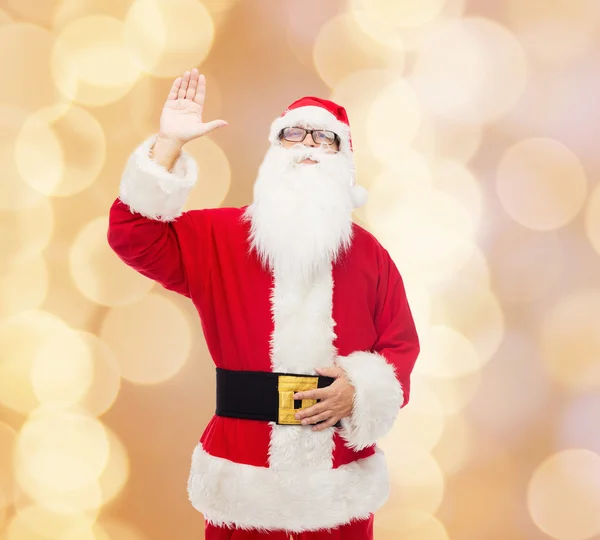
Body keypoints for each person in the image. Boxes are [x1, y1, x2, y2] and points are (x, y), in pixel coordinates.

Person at [107, 68, 420, 540]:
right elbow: (133, 235)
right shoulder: (219, 238)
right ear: (275, 153)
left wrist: (359, 389)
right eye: (293, 135)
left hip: (338, 493)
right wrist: (168, 145)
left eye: (325, 139)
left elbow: (401, 347)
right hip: (242, 484)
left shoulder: (371, 257)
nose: (309, 146)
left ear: (344, 163)